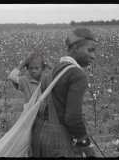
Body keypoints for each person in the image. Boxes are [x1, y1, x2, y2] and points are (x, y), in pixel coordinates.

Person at [31, 28, 97, 157]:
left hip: (40, 137)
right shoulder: (77, 74)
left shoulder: (54, 70)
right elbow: (73, 119)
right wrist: (87, 147)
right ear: (76, 48)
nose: (93, 56)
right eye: (90, 50)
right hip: (59, 143)